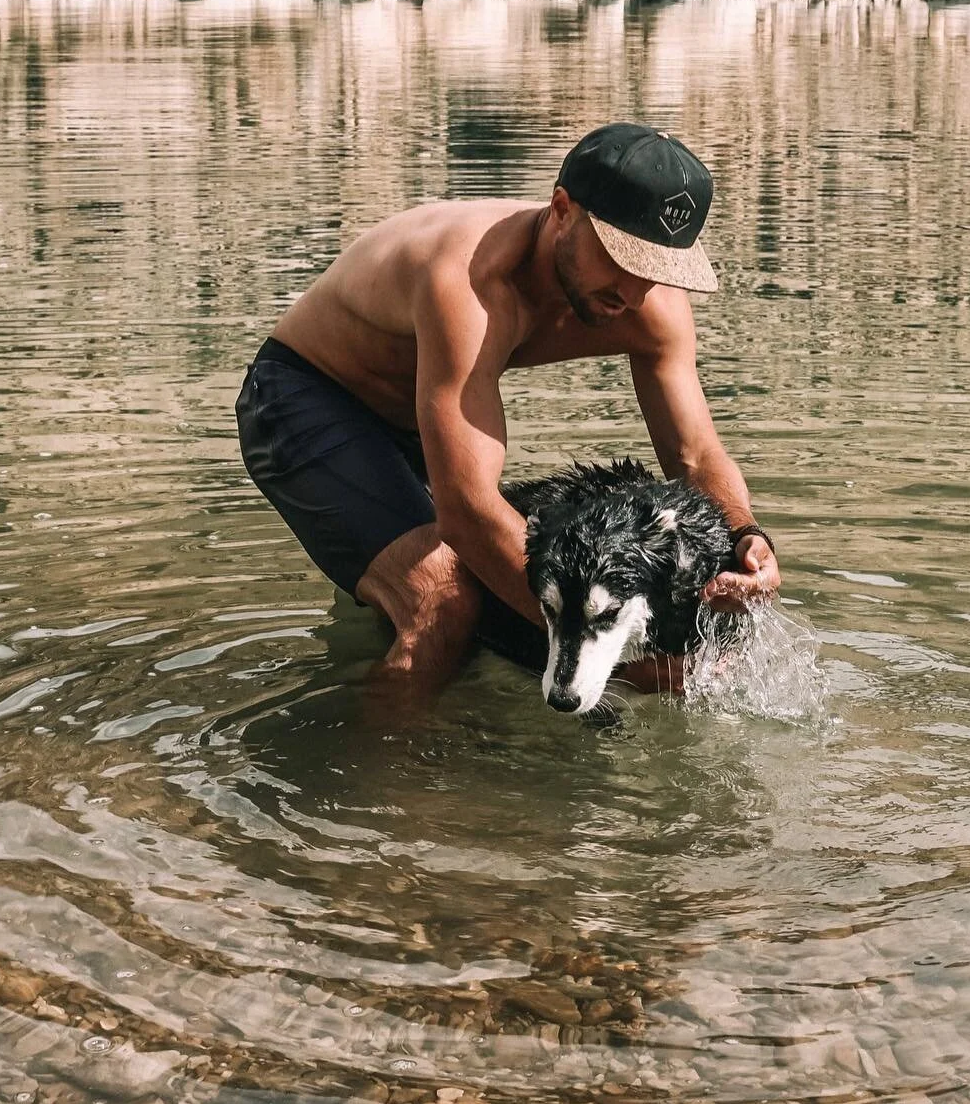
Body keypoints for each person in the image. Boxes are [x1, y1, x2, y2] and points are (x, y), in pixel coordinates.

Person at [236, 123, 780, 696]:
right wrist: (614, 650)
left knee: (455, 595)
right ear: (562, 210)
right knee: (443, 602)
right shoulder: (468, 281)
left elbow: (695, 457)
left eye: (657, 267)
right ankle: (379, 780)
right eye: (621, 257)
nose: (634, 291)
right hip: (304, 399)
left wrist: (747, 536)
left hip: (416, 419)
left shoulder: (649, 302)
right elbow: (470, 510)